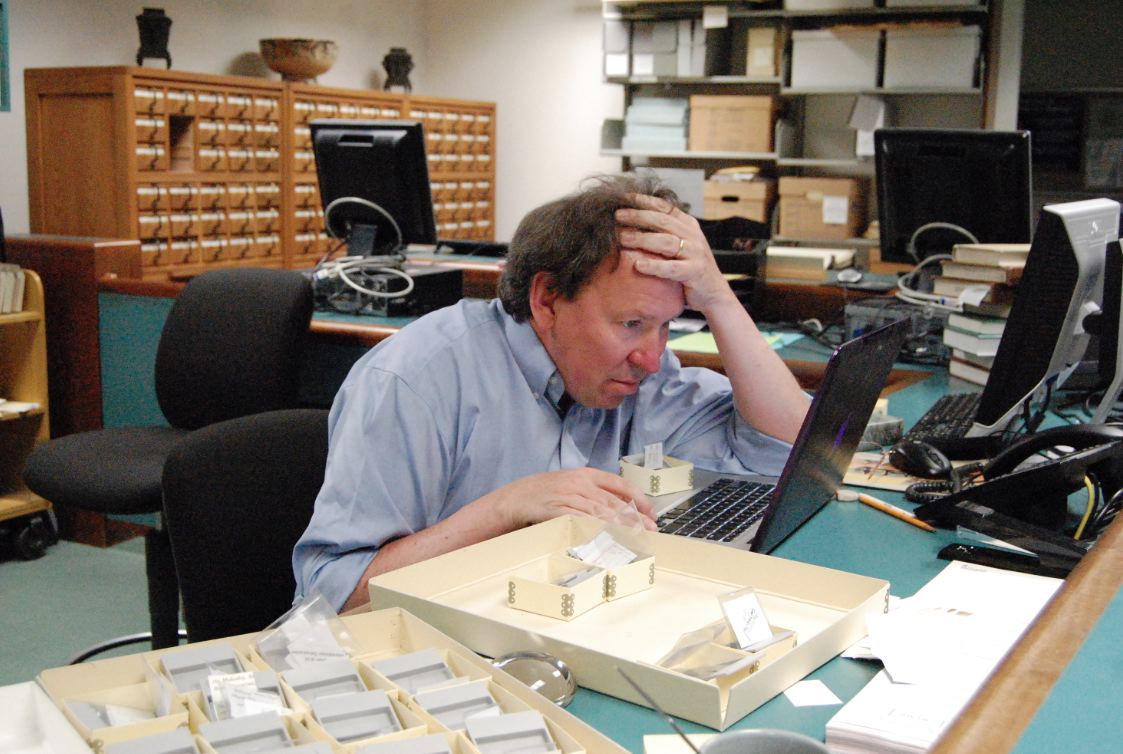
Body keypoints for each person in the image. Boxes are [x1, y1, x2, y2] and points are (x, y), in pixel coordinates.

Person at [293, 173, 809, 612]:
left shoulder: (636, 375)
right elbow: (330, 597)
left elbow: (783, 451)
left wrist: (717, 297)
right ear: (547, 299)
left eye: (665, 326)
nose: (652, 358)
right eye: (631, 323)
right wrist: (505, 509)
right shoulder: (415, 382)